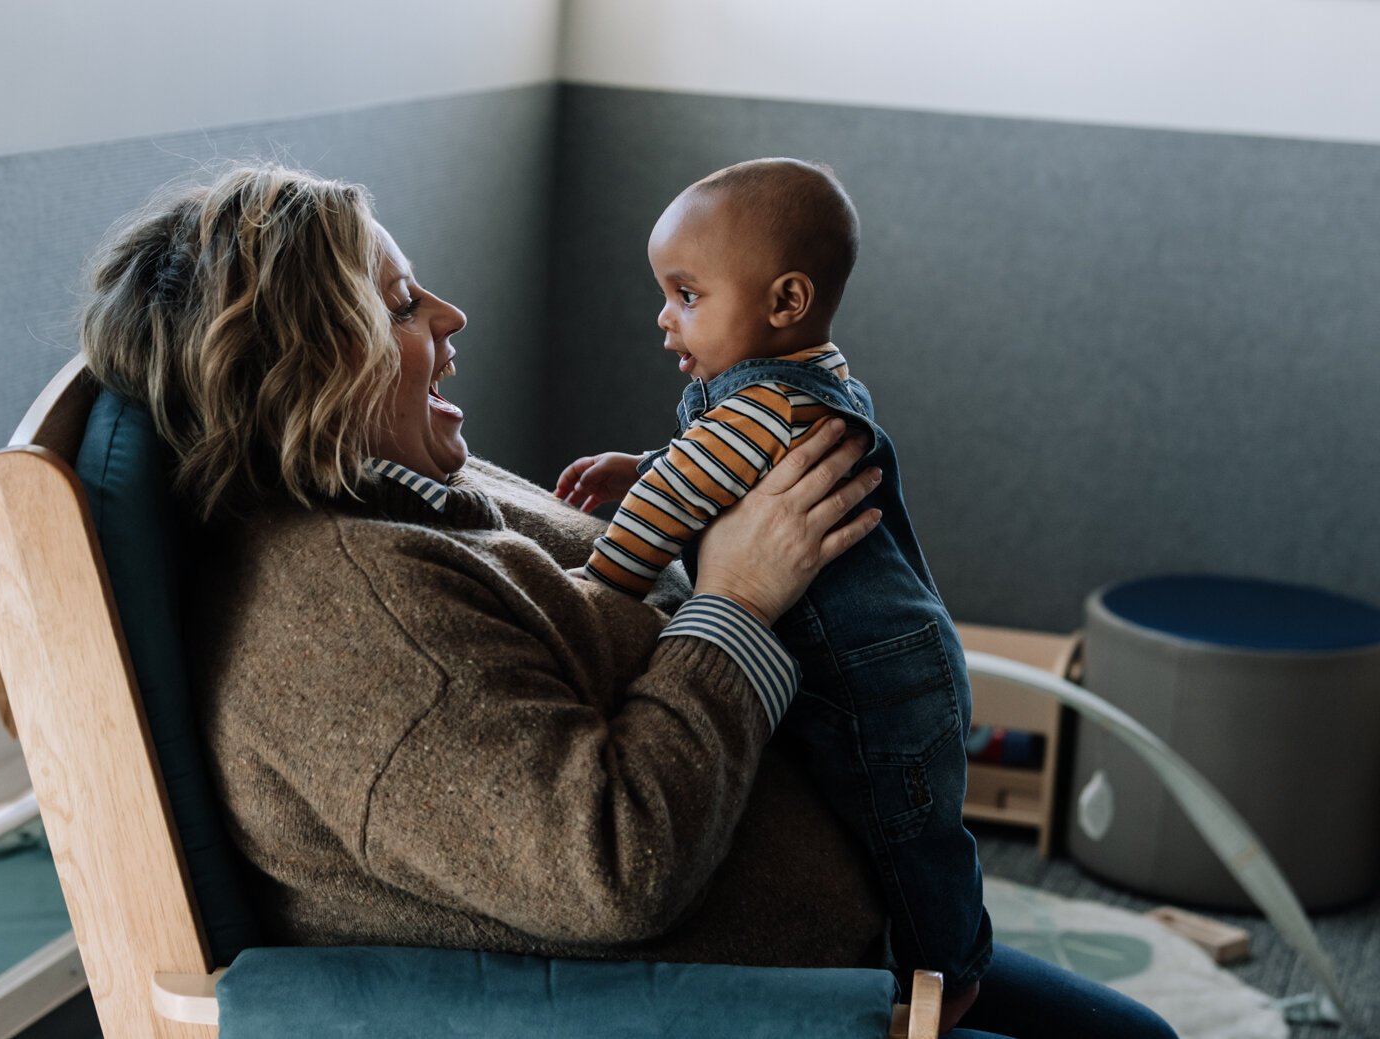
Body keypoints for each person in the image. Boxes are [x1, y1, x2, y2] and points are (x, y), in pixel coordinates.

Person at [79, 162, 1177, 1038]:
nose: (452, 316)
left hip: (850, 926)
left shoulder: (404, 492)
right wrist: (739, 600)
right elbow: (607, 867)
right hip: (771, 1002)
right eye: (406, 304)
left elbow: (584, 604)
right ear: (315, 369)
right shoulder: (349, 617)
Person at [555, 158, 1177, 1039]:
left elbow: (664, 514)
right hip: (887, 655)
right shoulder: (808, 377)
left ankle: (949, 973)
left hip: (877, 684)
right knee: (881, 827)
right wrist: (653, 465)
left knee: (910, 835)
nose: (665, 316)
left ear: (785, 301)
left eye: (687, 294)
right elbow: (706, 470)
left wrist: (595, 588)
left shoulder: (758, 408)